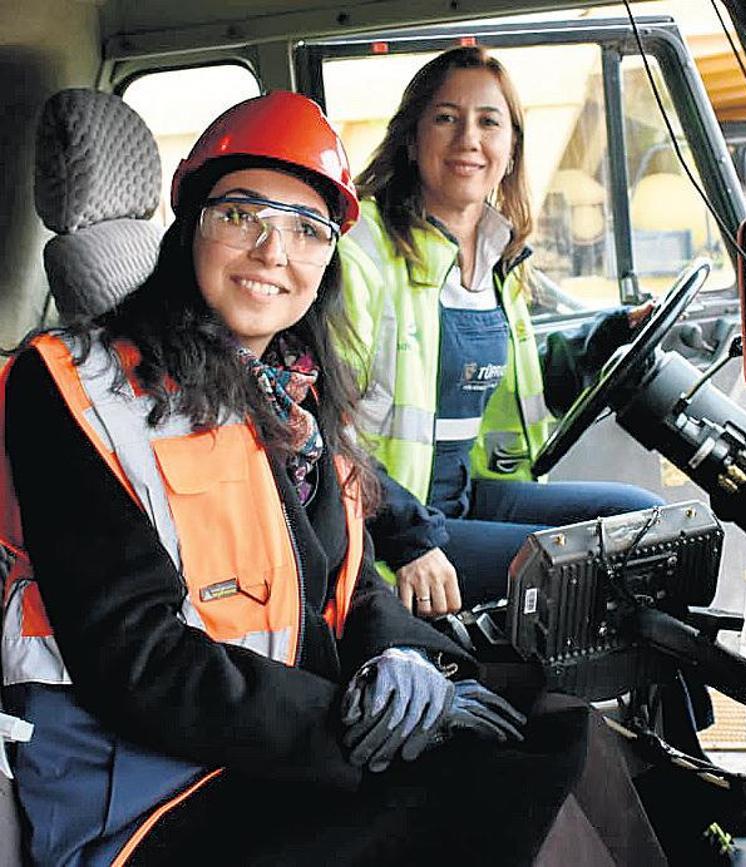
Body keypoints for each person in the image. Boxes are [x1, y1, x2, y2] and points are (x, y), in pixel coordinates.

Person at [0, 90, 667, 866]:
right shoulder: (69, 387)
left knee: (561, 725)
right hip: (153, 794)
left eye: (306, 229)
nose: (272, 251)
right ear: (188, 230)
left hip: (274, 741)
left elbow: (350, 583)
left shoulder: (288, 389)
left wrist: (408, 662)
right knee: (498, 790)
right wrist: (348, 721)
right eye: (239, 214)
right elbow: (138, 659)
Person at [338, 45, 665, 618]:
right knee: (597, 570)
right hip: (383, 522)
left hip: (465, 497)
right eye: (446, 118)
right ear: (412, 140)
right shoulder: (362, 249)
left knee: (643, 522)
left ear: (510, 148)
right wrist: (408, 539)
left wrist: (601, 342)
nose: (469, 137)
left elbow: (507, 382)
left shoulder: (498, 256)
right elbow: (325, 425)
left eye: (489, 121)